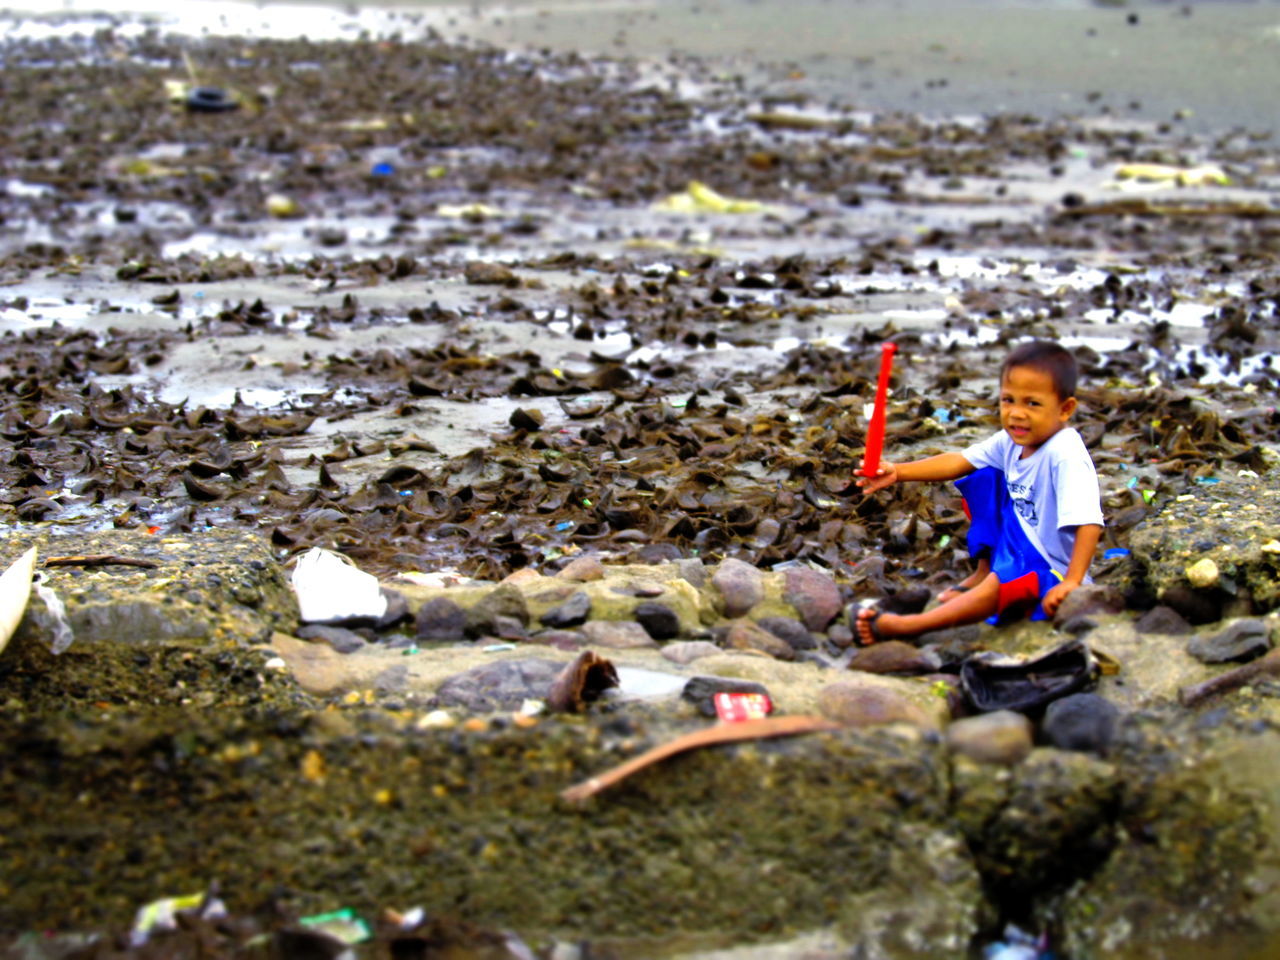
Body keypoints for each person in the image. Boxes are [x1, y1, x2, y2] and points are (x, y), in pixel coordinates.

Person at [855, 340, 1104, 644]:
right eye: (1008, 400)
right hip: (1018, 540)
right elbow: (959, 461)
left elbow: (1088, 522)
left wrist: (1074, 582)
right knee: (984, 476)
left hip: (1050, 567)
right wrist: (897, 472)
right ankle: (984, 570)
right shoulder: (1010, 441)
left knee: (1003, 587)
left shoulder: (1065, 454)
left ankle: (911, 626)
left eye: (1032, 404)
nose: (1016, 414)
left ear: (1065, 409)